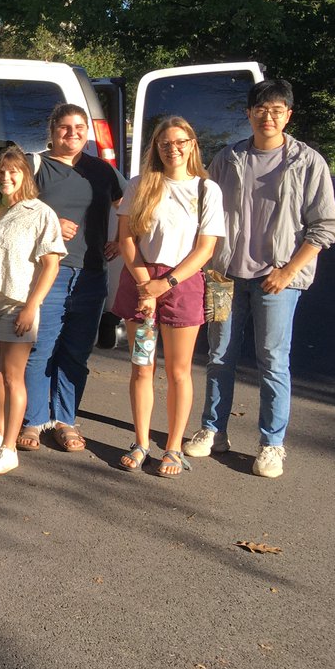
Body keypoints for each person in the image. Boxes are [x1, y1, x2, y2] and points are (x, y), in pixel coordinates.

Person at [184, 79, 335, 478]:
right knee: (219, 356)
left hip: (278, 279)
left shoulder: (307, 162)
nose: (268, 116)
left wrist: (289, 270)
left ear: (288, 115)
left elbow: (325, 226)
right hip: (224, 275)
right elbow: (202, 210)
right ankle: (212, 430)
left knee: (273, 360)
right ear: (249, 113)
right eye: (261, 109)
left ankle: (272, 443)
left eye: (277, 110)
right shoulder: (229, 158)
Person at [112, 117, 224, 478]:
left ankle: (173, 447)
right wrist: (147, 285)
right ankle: (141, 442)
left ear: (192, 144)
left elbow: (205, 248)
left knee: (178, 371)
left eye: (180, 141)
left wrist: (166, 284)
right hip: (142, 284)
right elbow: (126, 239)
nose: (172, 148)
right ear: (155, 148)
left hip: (182, 285)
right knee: (143, 367)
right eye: (164, 143)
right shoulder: (139, 185)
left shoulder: (207, 190)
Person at [19, 105, 125, 453]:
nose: (73, 133)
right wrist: (49, 220)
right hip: (49, 272)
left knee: (77, 353)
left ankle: (64, 420)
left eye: (80, 127)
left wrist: (122, 238)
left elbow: (131, 204)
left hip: (92, 273)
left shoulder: (101, 170)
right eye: (64, 127)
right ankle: (34, 421)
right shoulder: (35, 166)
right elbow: (11, 209)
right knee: (40, 350)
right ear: (52, 130)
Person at [0, 146, 65, 474]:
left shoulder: (40, 213)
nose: (6, 177)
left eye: (13, 171)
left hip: (17, 305)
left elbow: (51, 265)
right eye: (0, 171)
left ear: (25, 175)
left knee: (13, 377)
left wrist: (31, 307)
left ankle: (10, 448)